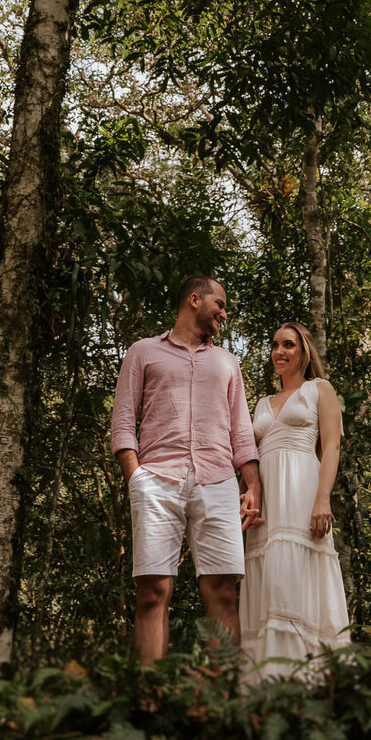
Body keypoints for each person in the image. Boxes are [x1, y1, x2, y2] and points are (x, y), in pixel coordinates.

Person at [111, 275, 262, 662]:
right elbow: (124, 421)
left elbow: (241, 429)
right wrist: (137, 478)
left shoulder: (228, 361)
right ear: (194, 300)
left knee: (223, 592)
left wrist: (252, 486)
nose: (224, 314)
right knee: (152, 593)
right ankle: (149, 699)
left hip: (218, 483)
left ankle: (223, 696)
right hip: (157, 481)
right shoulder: (143, 352)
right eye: (220, 304)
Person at [239, 320, 350, 676]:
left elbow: (331, 446)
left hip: (303, 493)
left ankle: (313, 677)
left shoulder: (320, 389)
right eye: (274, 345)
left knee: (300, 573)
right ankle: (267, 680)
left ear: (303, 350)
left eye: (288, 344)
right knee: (270, 579)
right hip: (269, 504)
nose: (279, 351)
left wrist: (323, 499)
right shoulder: (261, 403)